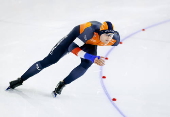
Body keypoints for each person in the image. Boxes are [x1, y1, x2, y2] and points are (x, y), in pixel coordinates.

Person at [8, 21, 120, 96]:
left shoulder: (114, 40)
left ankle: (63, 83)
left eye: (111, 36)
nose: (109, 38)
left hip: (90, 43)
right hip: (76, 37)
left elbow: (110, 38)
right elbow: (72, 47)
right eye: (106, 35)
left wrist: (91, 58)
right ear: (99, 33)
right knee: (50, 60)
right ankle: (20, 80)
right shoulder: (90, 32)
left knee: (86, 64)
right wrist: (91, 57)